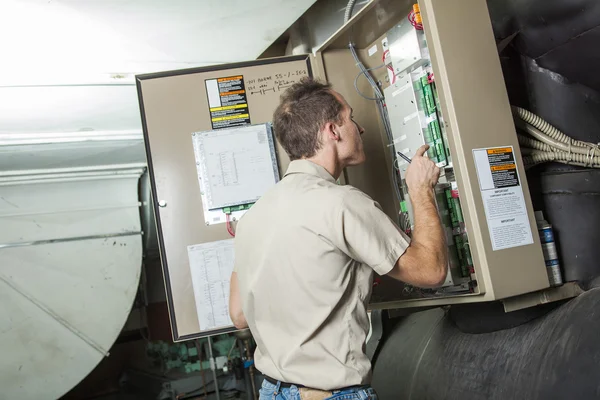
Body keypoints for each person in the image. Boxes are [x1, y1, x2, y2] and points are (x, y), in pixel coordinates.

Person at [229, 77, 447, 400]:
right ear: (332, 131)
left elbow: (239, 315)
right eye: (351, 118)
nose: (359, 129)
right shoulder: (342, 203)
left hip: (273, 392)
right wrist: (420, 191)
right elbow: (431, 270)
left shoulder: (251, 219)